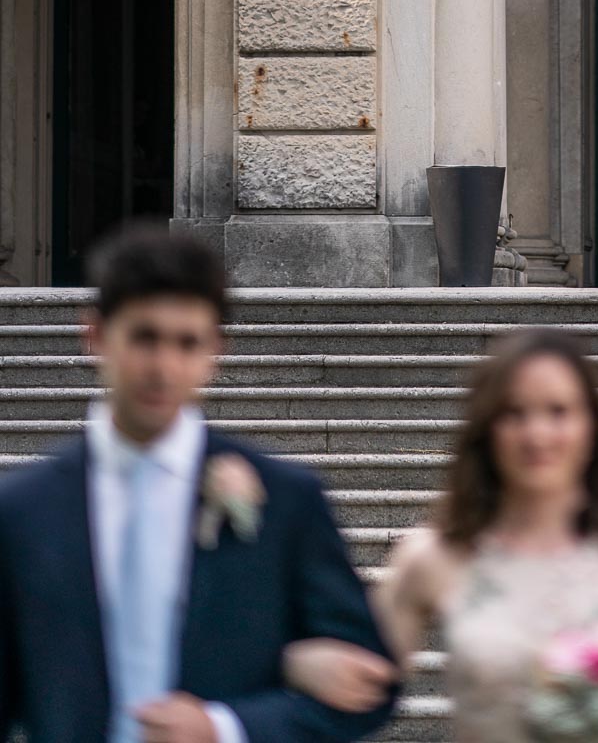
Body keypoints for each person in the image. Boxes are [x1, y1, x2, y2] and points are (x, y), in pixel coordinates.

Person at [0, 221, 397, 743]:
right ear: (95, 335)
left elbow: (370, 688)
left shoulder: (286, 500)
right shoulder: (23, 510)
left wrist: (224, 727)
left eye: (187, 343)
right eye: (145, 338)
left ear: (216, 350)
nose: (163, 367)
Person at [282, 329, 598, 742]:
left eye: (558, 411)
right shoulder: (433, 557)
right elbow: (360, 677)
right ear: (487, 429)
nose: (536, 435)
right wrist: (291, 661)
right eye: (514, 413)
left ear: (591, 425)